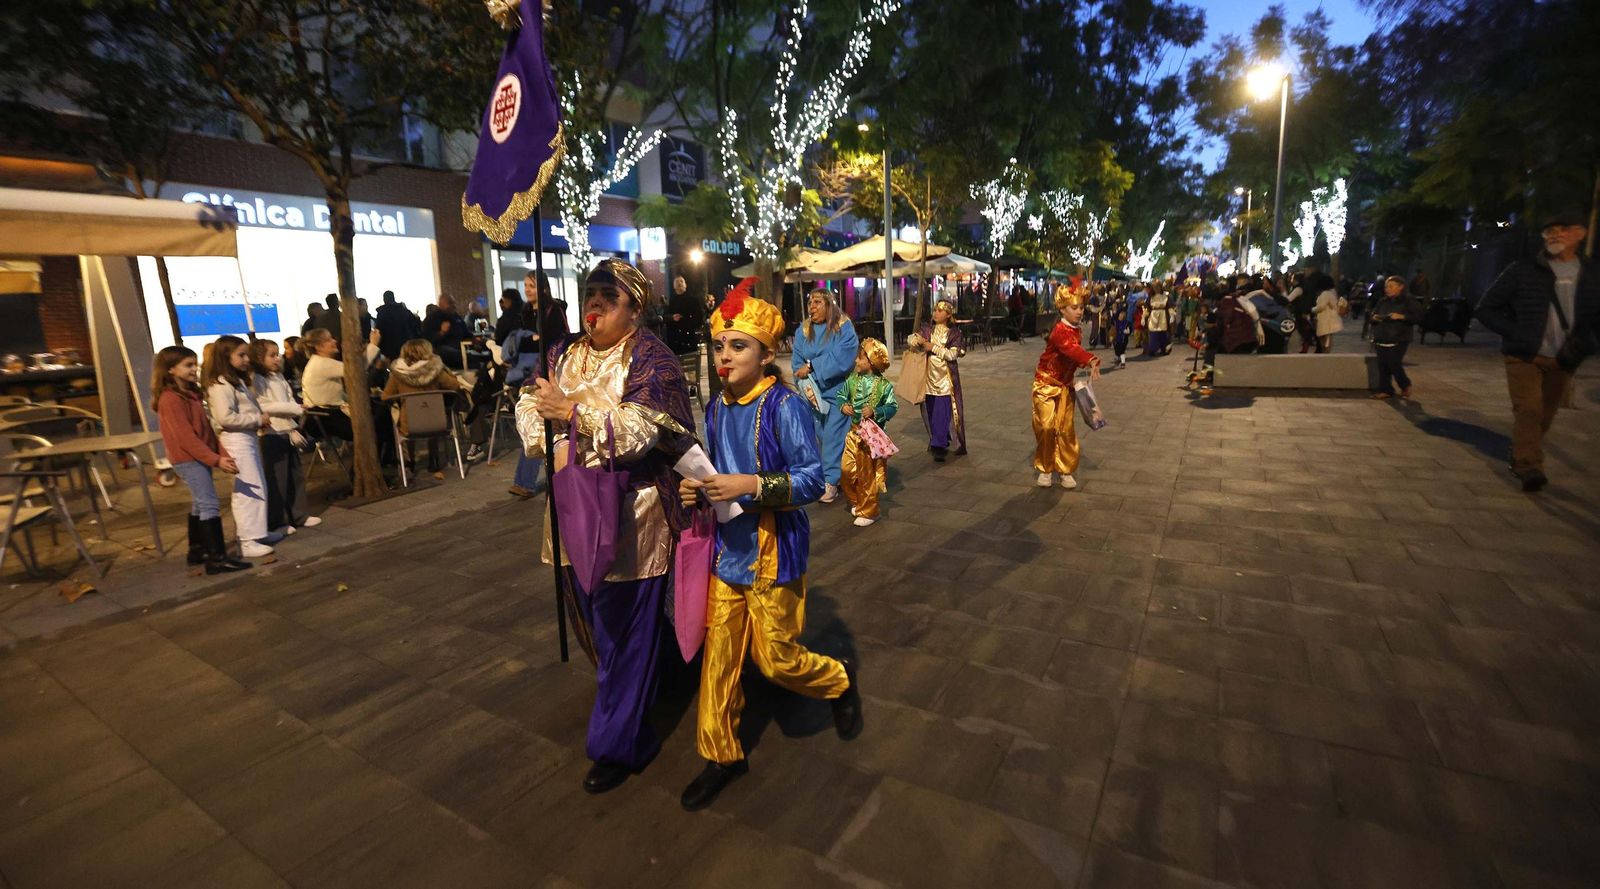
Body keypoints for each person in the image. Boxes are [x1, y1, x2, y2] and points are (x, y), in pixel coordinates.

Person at [677, 290, 863, 811]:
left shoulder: (786, 406)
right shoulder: (714, 409)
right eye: (719, 346)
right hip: (725, 552)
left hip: (772, 552)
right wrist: (697, 489)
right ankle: (722, 755)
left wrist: (750, 486)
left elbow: (811, 481)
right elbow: (713, 470)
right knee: (719, 657)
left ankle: (839, 679)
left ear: (766, 354)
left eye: (739, 345)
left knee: (776, 660)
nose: (725, 357)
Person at [517, 258, 695, 794]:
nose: (593, 304)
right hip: (572, 507)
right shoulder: (562, 351)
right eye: (589, 293)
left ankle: (619, 742)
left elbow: (642, 431)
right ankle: (647, 686)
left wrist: (569, 414)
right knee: (596, 624)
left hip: (631, 518)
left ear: (634, 310)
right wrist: (546, 430)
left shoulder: (651, 357)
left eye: (608, 297)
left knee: (624, 630)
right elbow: (530, 406)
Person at [1476, 208, 1600, 492]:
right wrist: (1516, 333)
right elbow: (1486, 308)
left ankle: (1522, 452)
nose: (1555, 235)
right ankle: (1529, 466)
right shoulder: (1523, 270)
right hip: (1525, 356)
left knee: (1544, 415)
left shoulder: (1592, 273)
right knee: (1528, 410)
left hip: (1565, 358)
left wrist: (1587, 343)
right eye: (1549, 231)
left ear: (1580, 233)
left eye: (1562, 229)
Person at [152, 346, 251, 574]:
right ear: (170, 370)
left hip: (198, 456)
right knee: (209, 503)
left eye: (194, 363)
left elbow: (205, 429)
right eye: (188, 365)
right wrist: (215, 460)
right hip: (187, 458)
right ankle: (216, 558)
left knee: (199, 502)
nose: (193, 369)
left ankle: (197, 550)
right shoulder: (171, 399)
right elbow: (186, 438)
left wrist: (220, 453)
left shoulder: (190, 394)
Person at [202, 335, 276, 558]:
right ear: (226, 357)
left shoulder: (234, 381)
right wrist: (256, 420)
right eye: (241, 355)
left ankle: (257, 532)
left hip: (246, 438)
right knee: (248, 489)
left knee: (257, 485)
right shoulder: (221, 384)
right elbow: (225, 418)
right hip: (237, 441)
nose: (246, 359)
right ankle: (248, 538)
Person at [791, 287, 859, 503]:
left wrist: (812, 366)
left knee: (832, 437)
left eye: (817, 302)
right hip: (813, 394)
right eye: (810, 302)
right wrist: (804, 382)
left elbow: (843, 357)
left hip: (838, 392)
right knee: (818, 437)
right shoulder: (803, 330)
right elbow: (796, 362)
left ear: (830, 305)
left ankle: (830, 481)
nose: (812, 306)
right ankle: (828, 476)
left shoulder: (843, 327)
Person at [508, 270, 570, 499]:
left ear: (543, 288)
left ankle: (528, 480)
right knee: (537, 422)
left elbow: (552, 339)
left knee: (544, 421)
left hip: (550, 372)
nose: (527, 290)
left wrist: (531, 339)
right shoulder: (524, 312)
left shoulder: (554, 309)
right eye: (525, 286)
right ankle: (527, 480)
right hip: (528, 372)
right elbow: (519, 341)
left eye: (532, 286)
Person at [249, 340, 322, 534]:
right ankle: (278, 520)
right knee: (277, 480)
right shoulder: (257, 379)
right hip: (272, 432)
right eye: (272, 355)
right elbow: (263, 405)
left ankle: (300, 514)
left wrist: (295, 410)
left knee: (295, 475)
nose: (277, 358)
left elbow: (288, 397)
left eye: (277, 354)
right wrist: (293, 408)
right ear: (259, 358)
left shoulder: (279, 376)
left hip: (288, 430)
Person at [1033, 286, 1102, 488]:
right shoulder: (1059, 331)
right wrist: (1090, 359)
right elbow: (1070, 349)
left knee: (1065, 429)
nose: (1080, 311)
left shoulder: (1075, 330)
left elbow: (1073, 354)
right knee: (1046, 427)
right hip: (1045, 386)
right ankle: (1045, 467)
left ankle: (1065, 469)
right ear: (1062, 309)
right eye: (1074, 307)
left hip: (1065, 387)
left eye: (1081, 307)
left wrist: (1087, 362)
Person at [384, 338, 483, 477]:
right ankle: (434, 460)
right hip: (437, 424)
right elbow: (454, 386)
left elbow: (385, 396)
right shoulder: (436, 371)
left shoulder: (397, 374)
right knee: (433, 411)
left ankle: (409, 463)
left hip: (409, 427)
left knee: (404, 415)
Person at [838, 337, 898, 526]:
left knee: (867, 475)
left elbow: (892, 407)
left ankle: (870, 510)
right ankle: (857, 501)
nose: (856, 361)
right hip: (853, 433)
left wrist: (877, 412)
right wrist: (843, 405)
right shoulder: (852, 380)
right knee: (846, 471)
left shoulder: (884, 386)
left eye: (861, 358)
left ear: (871, 362)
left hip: (869, 437)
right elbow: (841, 395)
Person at [906, 298, 967, 460]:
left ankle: (938, 446)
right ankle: (939, 438)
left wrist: (933, 347)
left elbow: (953, 354)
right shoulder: (928, 330)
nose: (935, 313)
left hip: (945, 381)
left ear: (948, 314)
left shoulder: (954, 333)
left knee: (942, 412)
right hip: (927, 379)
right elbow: (910, 338)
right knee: (930, 412)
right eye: (934, 310)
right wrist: (916, 340)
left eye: (940, 311)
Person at [1368, 275, 1424, 400]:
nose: (1387, 289)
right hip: (1382, 336)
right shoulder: (1383, 301)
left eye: (1391, 286)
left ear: (1401, 287)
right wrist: (1375, 318)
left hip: (1399, 337)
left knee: (1393, 363)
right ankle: (1385, 389)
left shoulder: (1408, 301)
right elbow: (1373, 314)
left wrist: (1401, 316)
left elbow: (1419, 316)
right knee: (1382, 364)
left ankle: (1404, 384)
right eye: (1386, 286)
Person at [423, 293, 468, 369]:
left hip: (460, 347)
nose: (454, 305)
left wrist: (474, 339)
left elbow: (465, 332)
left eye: (453, 302)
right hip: (441, 351)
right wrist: (442, 332)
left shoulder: (456, 317)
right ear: (441, 304)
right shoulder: (431, 319)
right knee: (457, 355)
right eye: (450, 303)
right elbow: (427, 340)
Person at [376, 290, 422, 361]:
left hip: (389, 347)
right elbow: (414, 327)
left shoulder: (382, 313)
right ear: (394, 298)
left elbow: (379, 331)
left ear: (384, 299)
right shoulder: (404, 311)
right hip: (406, 345)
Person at [665, 275, 705, 355]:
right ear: (674, 286)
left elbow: (700, 318)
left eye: (681, 281)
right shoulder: (671, 301)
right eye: (677, 282)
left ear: (685, 285)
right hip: (676, 341)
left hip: (689, 338)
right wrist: (672, 318)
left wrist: (688, 323)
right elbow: (665, 317)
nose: (679, 283)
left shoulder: (693, 300)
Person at [1310, 272, 1344, 352]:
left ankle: (1326, 354)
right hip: (1330, 319)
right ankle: (1326, 353)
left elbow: (1321, 307)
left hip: (1326, 320)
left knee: (1325, 340)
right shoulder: (1332, 292)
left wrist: (1312, 309)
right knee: (1327, 339)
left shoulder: (1325, 294)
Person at [1144, 284, 1174, 356]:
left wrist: (1172, 315)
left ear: (1161, 287)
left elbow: (1170, 307)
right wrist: (1143, 317)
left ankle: (1164, 348)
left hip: (1163, 316)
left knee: (1163, 333)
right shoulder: (1151, 297)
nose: (1156, 289)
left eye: (1158, 287)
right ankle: (1153, 349)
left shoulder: (1166, 296)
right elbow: (1147, 308)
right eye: (1155, 287)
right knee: (1153, 333)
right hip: (1153, 316)